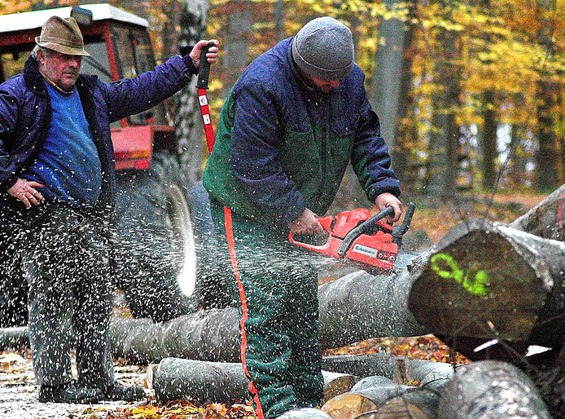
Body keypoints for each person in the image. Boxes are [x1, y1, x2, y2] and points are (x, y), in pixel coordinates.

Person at [0, 16, 219, 404]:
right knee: (52, 295)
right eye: (65, 57)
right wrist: (10, 181)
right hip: (46, 214)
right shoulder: (16, 95)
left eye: (77, 58)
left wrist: (186, 63)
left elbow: (140, 90)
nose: (73, 64)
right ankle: (53, 385)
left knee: (95, 293)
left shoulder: (89, 94)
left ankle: (98, 379)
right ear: (43, 56)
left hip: (87, 214)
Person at [202, 16, 402, 418]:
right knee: (267, 304)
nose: (333, 87)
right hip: (245, 204)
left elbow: (365, 134)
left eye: (338, 80)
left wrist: (382, 187)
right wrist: (293, 210)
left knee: (299, 305)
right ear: (302, 66)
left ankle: (309, 400)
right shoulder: (263, 85)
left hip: (302, 204)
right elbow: (251, 164)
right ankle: (275, 408)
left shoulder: (347, 80)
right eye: (325, 81)